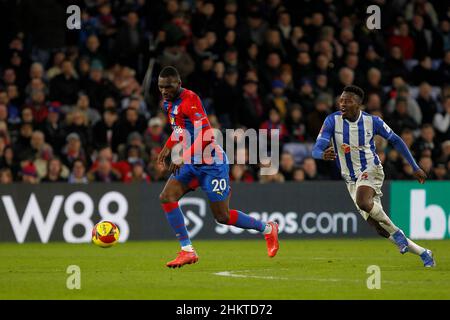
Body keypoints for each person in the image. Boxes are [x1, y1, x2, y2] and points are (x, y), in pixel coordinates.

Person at [155, 66, 279, 268]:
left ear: (179, 84)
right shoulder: (169, 103)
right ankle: (187, 250)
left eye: (168, 87)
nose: (164, 91)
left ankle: (268, 229)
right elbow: (180, 130)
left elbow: (207, 135)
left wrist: (183, 156)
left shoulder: (190, 100)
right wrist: (166, 149)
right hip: (192, 164)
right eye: (160, 87)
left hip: (212, 165)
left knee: (223, 216)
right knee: (166, 197)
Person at [312, 85, 435, 267]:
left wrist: (414, 166)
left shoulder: (373, 121)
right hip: (350, 179)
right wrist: (322, 154)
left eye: (348, 101)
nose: (343, 104)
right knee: (379, 227)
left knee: (363, 202)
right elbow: (316, 149)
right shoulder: (332, 121)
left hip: (371, 168)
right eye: (341, 101)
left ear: (358, 104)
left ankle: (399, 235)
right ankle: (424, 253)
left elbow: (396, 140)